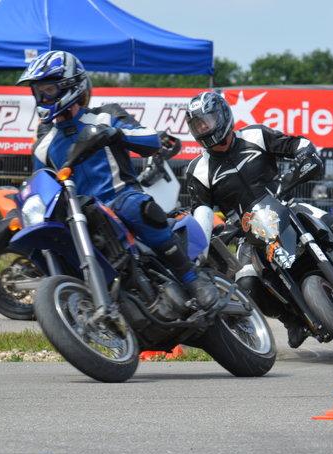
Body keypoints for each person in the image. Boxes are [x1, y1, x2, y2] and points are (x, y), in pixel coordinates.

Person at [17, 50, 218, 309]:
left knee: (135, 207)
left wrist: (115, 133)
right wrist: (14, 217)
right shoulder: (43, 147)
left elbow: (151, 139)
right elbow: (40, 189)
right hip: (81, 215)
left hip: (120, 198)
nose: (43, 97)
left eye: (49, 89)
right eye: (38, 91)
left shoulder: (105, 116)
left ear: (70, 86)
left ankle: (192, 278)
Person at [184, 91, 333, 348]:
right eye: (198, 125)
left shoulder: (255, 135)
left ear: (223, 115)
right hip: (248, 232)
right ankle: (291, 320)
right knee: (246, 283)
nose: (204, 128)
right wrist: (212, 234)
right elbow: (201, 212)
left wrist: (305, 155)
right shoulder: (198, 170)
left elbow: (295, 144)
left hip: (286, 206)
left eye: (207, 121)